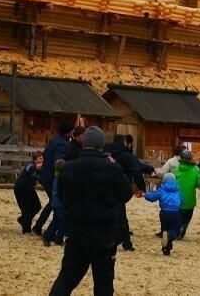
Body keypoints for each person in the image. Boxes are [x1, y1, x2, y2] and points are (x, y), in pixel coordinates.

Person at [49, 126, 132, 296]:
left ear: (84, 143)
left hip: (76, 231)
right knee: (103, 284)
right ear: (101, 145)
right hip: (104, 234)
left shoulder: (68, 168)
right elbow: (126, 194)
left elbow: (62, 196)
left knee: (67, 278)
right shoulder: (111, 168)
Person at [104, 134, 146, 251]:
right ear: (124, 142)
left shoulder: (104, 152)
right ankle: (125, 243)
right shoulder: (126, 155)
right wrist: (141, 188)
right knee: (121, 216)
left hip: (102, 187)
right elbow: (137, 170)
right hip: (119, 188)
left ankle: (111, 238)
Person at [34, 121, 74, 236]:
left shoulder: (53, 140)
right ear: (68, 132)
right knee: (56, 203)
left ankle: (40, 227)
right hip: (52, 177)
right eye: (71, 131)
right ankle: (50, 231)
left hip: (45, 175)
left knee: (53, 202)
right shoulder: (62, 144)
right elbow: (58, 162)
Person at [140, 173, 183, 255]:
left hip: (164, 213)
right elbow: (182, 201)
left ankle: (166, 250)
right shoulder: (178, 190)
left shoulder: (162, 189)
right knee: (176, 230)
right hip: (175, 213)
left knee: (165, 231)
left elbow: (153, 197)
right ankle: (169, 237)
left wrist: (144, 194)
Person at [174, 149, 200, 240]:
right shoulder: (196, 169)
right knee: (187, 216)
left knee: (178, 215)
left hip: (177, 198)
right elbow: (199, 183)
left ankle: (178, 229)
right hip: (190, 199)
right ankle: (183, 227)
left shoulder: (177, 168)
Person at [13, 151, 44, 234]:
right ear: (34, 160)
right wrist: (48, 163)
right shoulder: (30, 165)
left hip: (29, 188)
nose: (42, 160)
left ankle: (23, 219)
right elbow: (33, 168)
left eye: (43, 158)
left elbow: (42, 180)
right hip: (20, 188)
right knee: (26, 208)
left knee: (37, 206)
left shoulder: (41, 170)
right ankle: (26, 229)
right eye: (40, 158)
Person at [43, 159, 67, 247]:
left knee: (56, 220)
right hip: (60, 203)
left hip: (54, 202)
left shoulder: (56, 176)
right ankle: (59, 239)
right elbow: (62, 191)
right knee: (64, 220)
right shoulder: (62, 177)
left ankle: (47, 236)